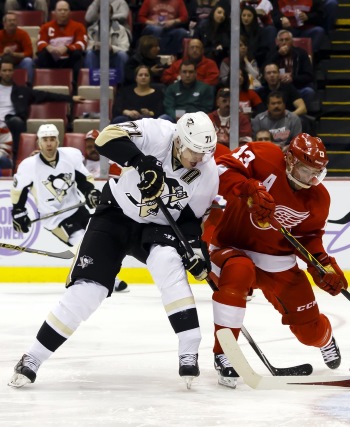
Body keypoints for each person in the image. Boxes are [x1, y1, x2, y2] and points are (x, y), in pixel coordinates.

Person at [8, 112, 219, 389]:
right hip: (117, 212)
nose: (200, 159)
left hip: (155, 227)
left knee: (169, 262)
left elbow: (191, 219)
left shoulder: (207, 172)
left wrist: (194, 249)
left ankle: (189, 349)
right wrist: (142, 162)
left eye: (206, 153)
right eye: (195, 151)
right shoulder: (159, 133)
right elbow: (106, 137)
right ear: (179, 141)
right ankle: (33, 357)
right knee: (88, 289)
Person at [202, 133, 347, 388]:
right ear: (290, 160)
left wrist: (324, 267)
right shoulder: (264, 155)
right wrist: (248, 187)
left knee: (310, 333)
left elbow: (309, 239)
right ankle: (224, 354)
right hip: (230, 246)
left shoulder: (318, 199)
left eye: (318, 172)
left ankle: (325, 340)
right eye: (305, 170)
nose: (312, 179)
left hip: (277, 261)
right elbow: (221, 169)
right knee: (238, 270)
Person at [10, 123, 128, 289]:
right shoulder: (29, 166)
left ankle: (105, 276)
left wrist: (90, 193)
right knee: (82, 241)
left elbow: (83, 180)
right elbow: (18, 191)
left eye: (52, 139)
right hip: (55, 218)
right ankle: (102, 279)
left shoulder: (71, 156)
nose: (49, 143)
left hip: (77, 209)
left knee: (99, 239)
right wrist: (18, 212)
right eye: (45, 140)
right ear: (39, 143)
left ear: (58, 141)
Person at [1, 59, 84, 164]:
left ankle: (16, 161)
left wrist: (71, 98)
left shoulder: (22, 91)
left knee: (16, 122)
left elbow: (46, 95)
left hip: (10, 124)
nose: (7, 73)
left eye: (9, 70)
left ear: (13, 72)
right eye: (4, 70)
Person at [36, 1, 88, 83]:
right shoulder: (45, 27)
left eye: (65, 10)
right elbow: (40, 42)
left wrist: (67, 48)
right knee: (42, 55)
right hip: (52, 59)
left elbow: (82, 44)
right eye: (60, 10)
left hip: (69, 59)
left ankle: (75, 86)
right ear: (55, 12)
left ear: (70, 12)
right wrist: (49, 47)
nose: (62, 12)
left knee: (78, 55)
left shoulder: (79, 27)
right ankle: (43, 82)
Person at [266, 30, 315, 108]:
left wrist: (292, 78)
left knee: (309, 92)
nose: (284, 42)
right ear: (277, 42)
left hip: (296, 88)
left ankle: (301, 113)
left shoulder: (301, 53)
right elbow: (264, 70)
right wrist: (278, 54)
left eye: (287, 40)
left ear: (292, 42)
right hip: (276, 89)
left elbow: (309, 76)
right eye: (281, 40)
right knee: (259, 89)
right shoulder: (272, 53)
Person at [84, 3, 130, 85]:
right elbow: (87, 46)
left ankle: (121, 85)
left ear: (111, 14)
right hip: (98, 56)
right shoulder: (91, 29)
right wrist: (94, 46)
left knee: (122, 55)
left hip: (113, 56)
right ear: (98, 14)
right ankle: (93, 84)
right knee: (89, 54)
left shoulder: (119, 28)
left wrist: (112, 48)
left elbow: (125, 47)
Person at [0, 12, 34, 83]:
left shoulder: (23, 34)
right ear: (4, 24)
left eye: (14, 20)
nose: (12, 22)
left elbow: (29, 53)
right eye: (10, 21)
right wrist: (4, 53)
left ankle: (28, 85)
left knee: (28, 61)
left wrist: (13, 54)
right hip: (3, 64)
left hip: (19, 62)